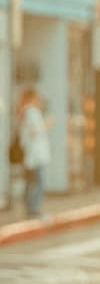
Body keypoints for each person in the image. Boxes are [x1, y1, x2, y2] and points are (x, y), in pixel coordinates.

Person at [17, 88, 51, 218]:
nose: (39, 100)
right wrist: (46, 124)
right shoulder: (31, 112)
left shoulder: (26, 111)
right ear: (32, 98)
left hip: (32, 154)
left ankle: (30, 209)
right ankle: (33, 210)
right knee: (37, 182)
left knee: (31, 182)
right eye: (37, 97)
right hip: (34, 155)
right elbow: (35, 131)